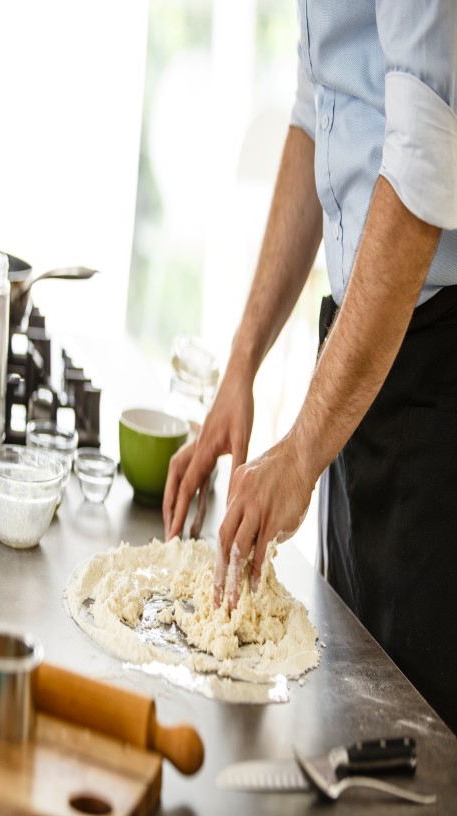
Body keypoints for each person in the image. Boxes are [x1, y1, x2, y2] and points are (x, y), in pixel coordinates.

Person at [162, 3, 457, 734]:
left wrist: (300, 452)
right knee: (358, 703)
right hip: (361, 337)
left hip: (439, 355)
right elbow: (317, 111)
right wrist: (242, 365)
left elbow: (425, 158)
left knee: (418, 738)